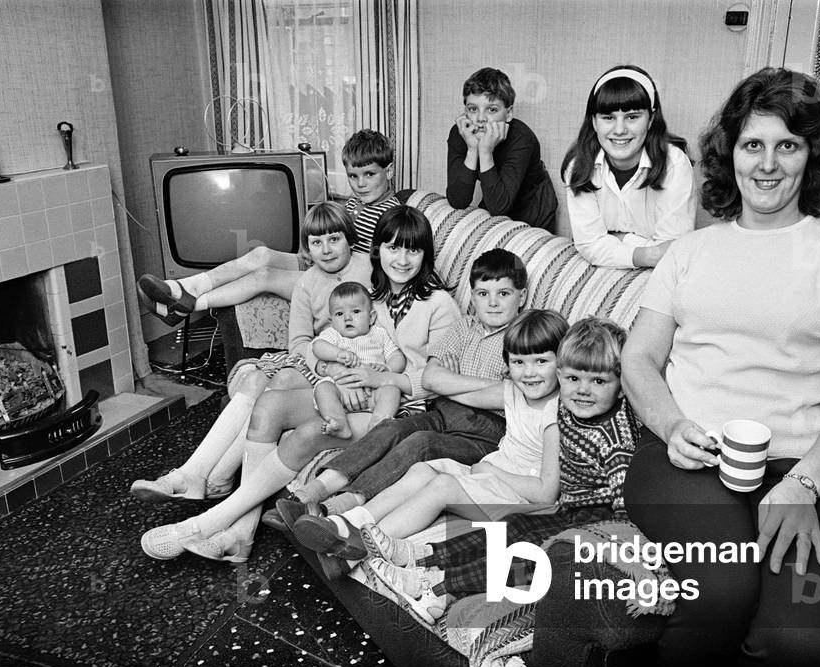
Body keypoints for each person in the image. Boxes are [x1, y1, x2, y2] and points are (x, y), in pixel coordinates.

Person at [619, 67, 820, 667]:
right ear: (730, 155)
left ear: (811, 157)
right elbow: (637, 358)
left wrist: (804, 485)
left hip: (804, 470)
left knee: (799, 645)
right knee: (722, 595)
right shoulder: (689, 254)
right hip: (688, 458)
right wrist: (670, 426)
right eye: (753, 145)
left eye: (787, 145)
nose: (767, 164)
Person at [137, 204, 460, 562]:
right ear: (376, 251)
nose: (401, 259)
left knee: (307, 433)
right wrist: (337, 373)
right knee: (269, 405)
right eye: (392, 248)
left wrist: (379, 377)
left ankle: (207, 524)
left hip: (396, 406)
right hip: (346, 387)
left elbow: (438, 380)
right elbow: (331, 339)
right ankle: (237, 529)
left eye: (412, 250)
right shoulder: (371, 294)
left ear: (426, 255)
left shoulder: (439, 304)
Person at [357, 317, 642, 624]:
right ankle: (422, 559)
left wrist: (633, 563)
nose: (583, 391)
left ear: (623, 388)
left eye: (598, 382)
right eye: (573, 379)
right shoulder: (565, 410)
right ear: (561, 376)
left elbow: (625, 508)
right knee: (511, 528)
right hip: (563, 509)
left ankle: (439, 587)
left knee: (526, 552)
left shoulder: (615, 438)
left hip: (592, 522)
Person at [290, 310, 568, 583]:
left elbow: (545, 494)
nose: (529, 373)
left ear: (562, 363)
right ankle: (346, 522)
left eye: (541, 361)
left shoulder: (553, 416)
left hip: (519, 504)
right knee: (424, 470)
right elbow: (446, 386)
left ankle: (358, 547)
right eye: (519, 362)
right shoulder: (513, 391)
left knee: (444, 485)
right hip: (490, 479)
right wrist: (437, 372)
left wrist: (491, 470)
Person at [129, 201, 371, 502]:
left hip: (352, 361)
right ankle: (191, 473)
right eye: (317, 243)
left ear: (350, 238)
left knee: (276, 383)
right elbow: (298, 343)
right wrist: (325, 364)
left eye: (335, 239)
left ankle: (211, 477)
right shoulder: (307, 282)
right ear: (307, 251)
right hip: (319, 360)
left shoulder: (368, 268)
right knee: (257, 380)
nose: (327, 249)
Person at [285, 248, 530, 514]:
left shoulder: (525, 337)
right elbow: (431, 378)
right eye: (484, 294)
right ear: (473, 296)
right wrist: (481, 385)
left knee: (421, 442)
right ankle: (313, 491)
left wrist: (455, 381)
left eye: (503, 294)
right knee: (390, 428)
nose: (492, 303)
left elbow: (510, 396)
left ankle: (340, 505)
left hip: (486, 432)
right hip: (441, 413)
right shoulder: (463, 327)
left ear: (522, 296)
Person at [135, 129, 399, 325]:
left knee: (264, 276)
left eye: (369, 175)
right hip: (328, 264)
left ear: (388, 171)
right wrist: (315, 251)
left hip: (341, 281)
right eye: (353, 176)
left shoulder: (391, 215)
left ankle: (187, 306)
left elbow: (376, 270)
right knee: (261, 254)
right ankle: (183, 287)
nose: (360, 184)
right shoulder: (356, 202)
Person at [561, 65, 696, 269]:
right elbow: (590, 245)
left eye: (632, 117)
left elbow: (673, 253)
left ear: (651, 119)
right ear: (594, 123)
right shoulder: (578, 167)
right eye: (608, 118)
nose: (620, 129)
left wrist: (619, 239)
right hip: (603, 274)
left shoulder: (674, 164)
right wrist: (647, 253)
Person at [446, 67, 558, 232]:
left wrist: (485, 152)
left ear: (509, 113)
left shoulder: (522, 138)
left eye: (491, 109)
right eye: (473, 109)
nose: (481, 119)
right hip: (496, 196)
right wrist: (472, 149)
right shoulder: (461, 133)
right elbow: (458, 201)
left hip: (532, 205)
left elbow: (499, 207)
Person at [312, 281, 406, 438]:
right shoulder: (334, 335)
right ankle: (338, 421)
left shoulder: (379, 334)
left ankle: (378, 422)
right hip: (340, 391)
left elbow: (397, 357)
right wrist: (337, 354)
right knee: (323, 389)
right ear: (332, 320)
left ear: (371, 317)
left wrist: (388, 370)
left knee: (392, 390)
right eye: (339, 314)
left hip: (373, 392)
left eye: (355, 311)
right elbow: (317, 347)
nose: (347, 318)